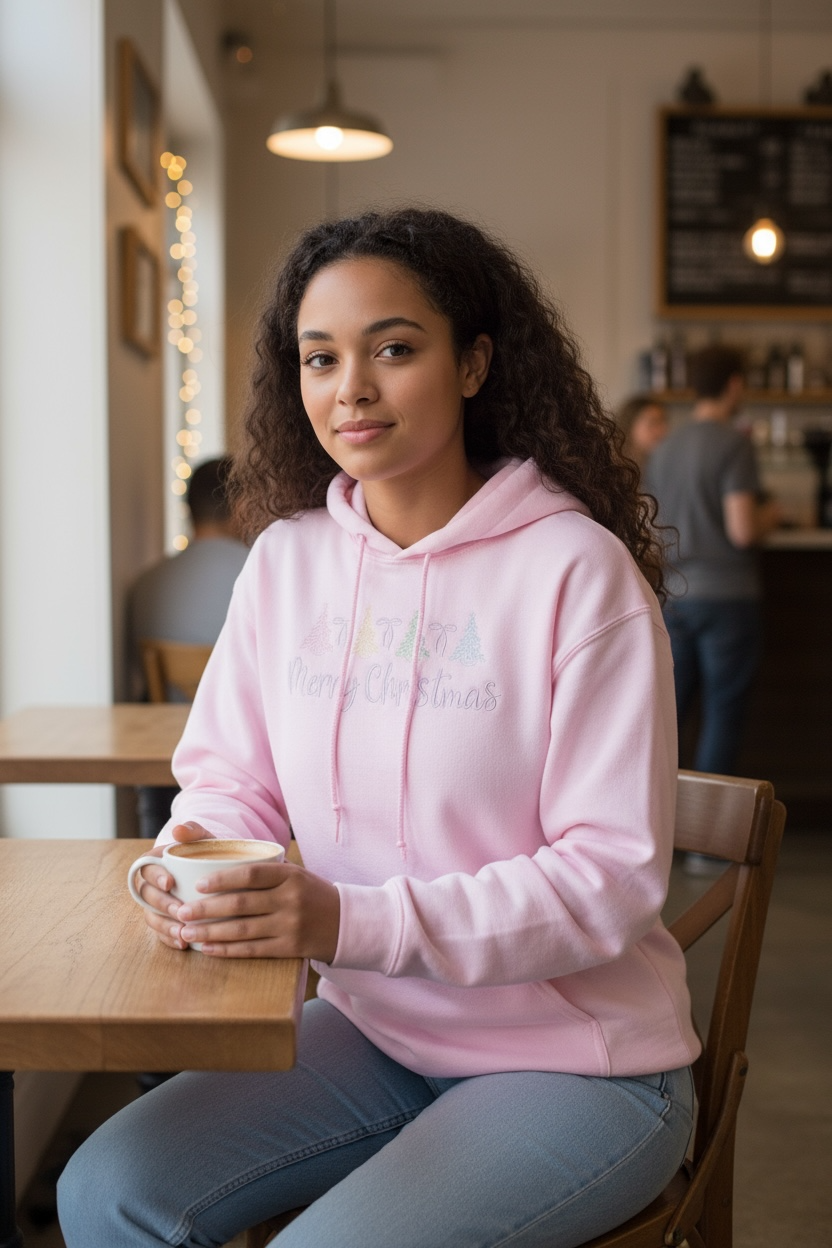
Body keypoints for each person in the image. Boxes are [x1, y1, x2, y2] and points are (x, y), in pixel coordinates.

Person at [59, 207, 698, 1248]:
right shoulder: (288, 562)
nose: (350, 387)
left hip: (578, 1061)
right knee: (105, 1191)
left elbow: (609, 878)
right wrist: (197, 858)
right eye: (320, 357)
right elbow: (229, 778)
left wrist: (344, 925)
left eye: (393, 349)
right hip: (377, 1029)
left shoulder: (577, 575)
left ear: (474, 363)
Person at [644, 346, 781, 868]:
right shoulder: (734, 443)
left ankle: (654, 838)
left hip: (675, 595)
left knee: (669, 718)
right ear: (735, 385)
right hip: (727, 596)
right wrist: (774, 515)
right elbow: (743, 527)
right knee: (722, 715)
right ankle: (705, 849)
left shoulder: (667, 447)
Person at [128, 456, 249, 839]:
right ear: (243, 506)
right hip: (243, 765)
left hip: (162, 772)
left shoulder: (146, 585)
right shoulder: (263, 576)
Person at [615, 393, 669, 472]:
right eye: (653, 423)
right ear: (629, 425)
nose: (663, 430)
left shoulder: (663, 465)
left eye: (663, 422)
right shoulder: (614, 468)